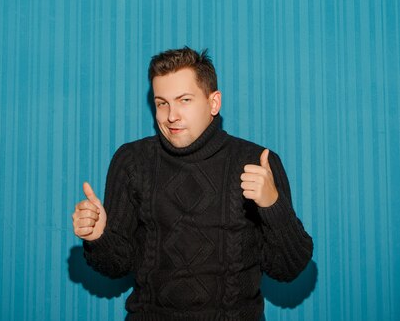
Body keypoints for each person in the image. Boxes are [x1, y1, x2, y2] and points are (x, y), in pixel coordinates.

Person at [72, 47, 313, 319]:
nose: (171, 115)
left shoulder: (257, 162)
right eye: (162, 102)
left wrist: (272, 205)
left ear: (214, 103)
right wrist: (98, 238)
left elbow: (289, 268)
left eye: (184, 100)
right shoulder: (132, 161)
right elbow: (116, 265)